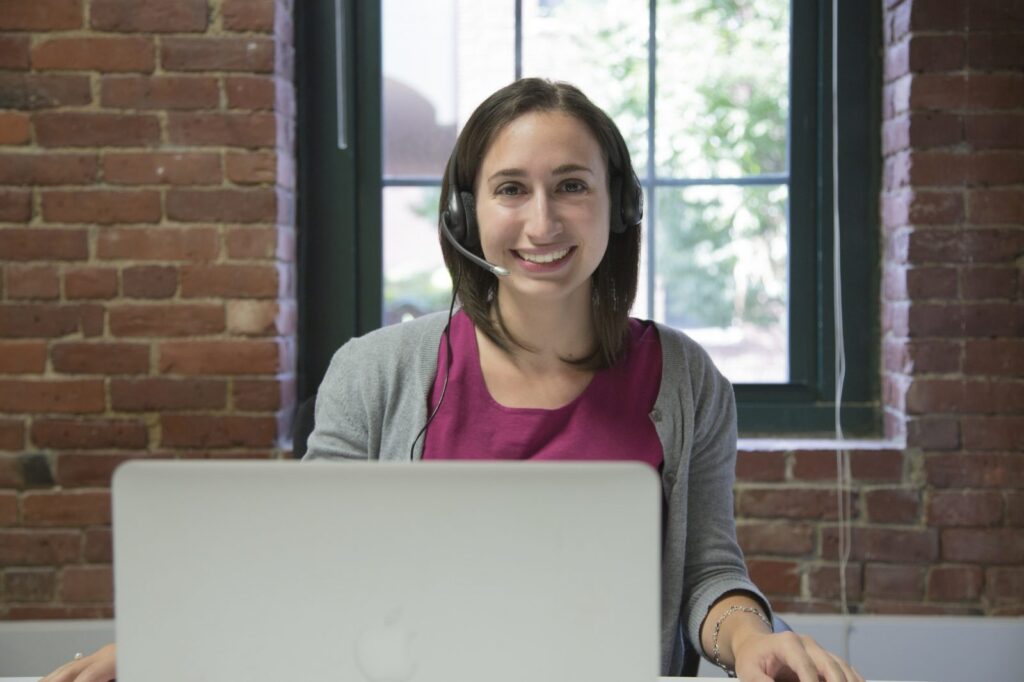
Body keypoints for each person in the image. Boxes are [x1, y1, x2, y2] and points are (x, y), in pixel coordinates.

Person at [44, 78, 862, 682]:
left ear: (618, 209)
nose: (542, 223)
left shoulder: (687, 381)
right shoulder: (376, 373)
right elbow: (309, 567)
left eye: (572, 186)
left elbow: (709, 575)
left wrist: (752, 639)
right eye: (511, 190)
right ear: (467, 215)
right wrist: (171, 642)